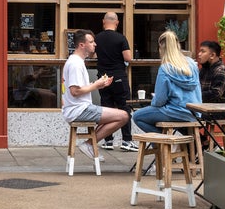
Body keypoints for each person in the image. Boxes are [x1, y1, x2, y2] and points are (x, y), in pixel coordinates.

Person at [61, 29, 129, 159]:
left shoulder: (76, 61)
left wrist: (99, 83)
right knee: (124, 116)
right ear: (82, 45)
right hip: (79, 109)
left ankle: (90, 144)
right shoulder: (76, 63)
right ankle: (89, 144)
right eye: (91, 42)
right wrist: (96, 85)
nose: (95, 45)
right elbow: (75, 91)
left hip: (77, 108)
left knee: (113, 115)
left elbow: (78, 88)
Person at [132, 30, 203, 132]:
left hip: (175, 111)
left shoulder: (165, 69)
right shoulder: (192, 63)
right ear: (177, 45)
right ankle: (166, 143)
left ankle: (162, 145)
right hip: (194, 113)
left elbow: (160, 100)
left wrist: (153, 103)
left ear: (161, 48)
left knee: (137, 116)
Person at [94, 12, 137, 152]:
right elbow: (128, 57)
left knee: (106, 109)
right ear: (117, 23)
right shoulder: (121, 38)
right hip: (118, 77)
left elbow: (93, 55)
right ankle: (126, 141)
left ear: (103, 22)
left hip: (103, 78)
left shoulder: (97, 38)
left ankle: (108, 141)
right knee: (124, 108)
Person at [197, 40, 225, 104]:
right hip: (203, 109)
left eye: (203, 51)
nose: (199, 54)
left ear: (212, 55)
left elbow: (215, 94)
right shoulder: (203, 70)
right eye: (200, 51)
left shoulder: (222, 71)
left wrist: (194, 95)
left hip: (218, 111)